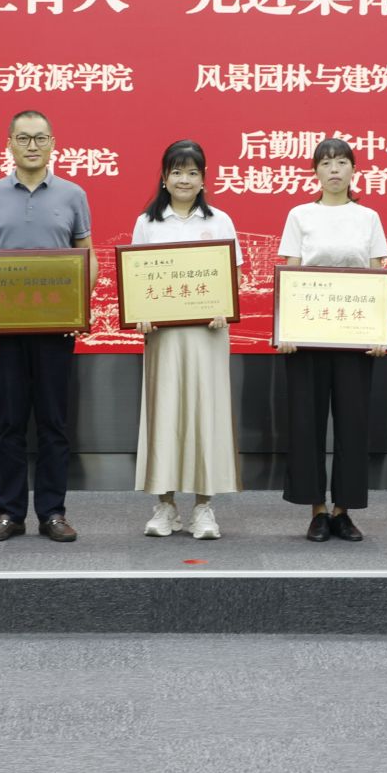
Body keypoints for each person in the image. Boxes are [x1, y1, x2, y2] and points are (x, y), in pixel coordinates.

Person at [0, 109, 94, 542]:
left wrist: (80, 309)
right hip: (5, 331)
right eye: (23, 138)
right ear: (9, 144)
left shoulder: (73, 194)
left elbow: (87, 255)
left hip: (56, 329)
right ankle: (9, 513)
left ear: (53, 143)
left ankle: (52, 512)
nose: (32, 146)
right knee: (10, 423)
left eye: (40, 138)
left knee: (53, 423)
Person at [278, 136, 387, 542]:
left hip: (354, 337)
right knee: (306, 423)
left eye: (342, 162)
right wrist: (286, 331)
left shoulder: (368, 217)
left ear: (354, 170)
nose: (334, 170)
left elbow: (378, 276)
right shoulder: (300, 215)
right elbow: (290, 273)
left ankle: (343, 510)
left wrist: (380, 333)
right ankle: (317, 511)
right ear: (316, 171)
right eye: (326, 163)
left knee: (353, 423)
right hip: (307, 337)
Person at [131, 139, 242, 540]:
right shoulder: (148, 223)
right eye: (176, 171)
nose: (184, 179)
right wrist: (141, 312)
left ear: (203, 179)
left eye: (192, 172)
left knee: (205, 414)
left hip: (208, 334)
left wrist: (224, 305)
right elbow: (136, 278)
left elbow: (233, 277)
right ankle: (165, 506)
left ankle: (203, 507)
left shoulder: (221, 221)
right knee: (164, 414)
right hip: (163, 336)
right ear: (164, 178)